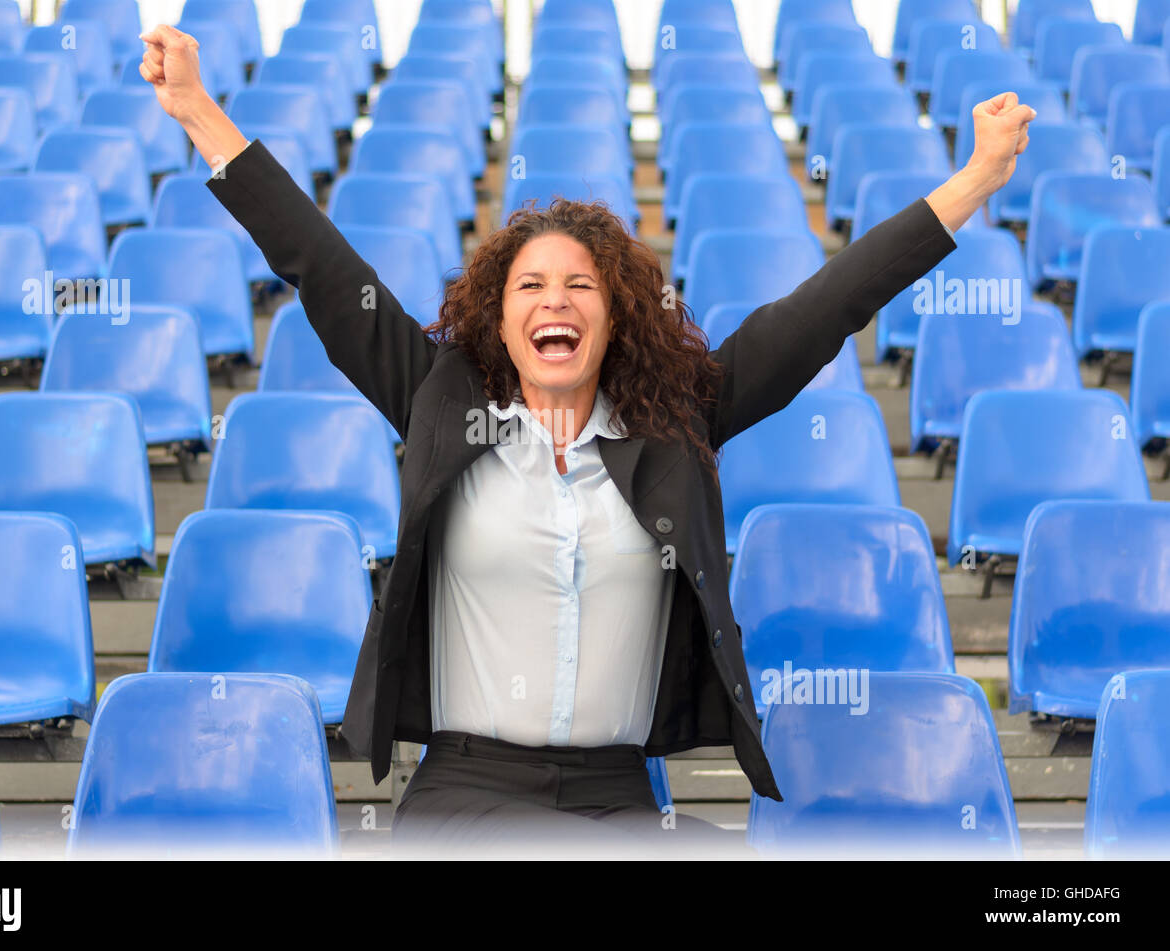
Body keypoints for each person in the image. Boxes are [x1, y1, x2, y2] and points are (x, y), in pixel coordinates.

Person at [138, 24, 1035, 858]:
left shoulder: (680, 419)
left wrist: (977, 178)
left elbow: (829, 305)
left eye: (580, 285)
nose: (554, 301)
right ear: (498, 317)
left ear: (617, 319)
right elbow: (321, 266)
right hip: (465, 792)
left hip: (616, 798)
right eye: (529, 286)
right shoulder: (437, 397)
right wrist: (197, 111)